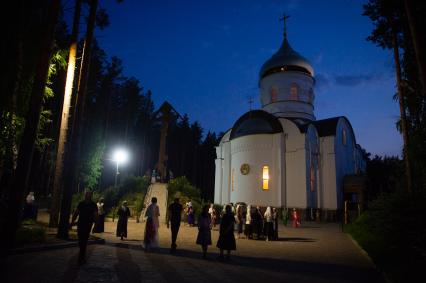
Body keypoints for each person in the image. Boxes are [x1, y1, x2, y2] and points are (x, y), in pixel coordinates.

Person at [70, 191, 98, 265]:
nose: (87, 196)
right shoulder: (81, 204)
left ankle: (81, 257)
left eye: (89, 194)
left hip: (88, 225)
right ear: (85, 195)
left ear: (91, 195)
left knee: (84, 240)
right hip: (80, 223)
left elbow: (95, 215)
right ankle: (82, 255)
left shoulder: (93, 205)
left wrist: (95, 226)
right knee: (80, 240)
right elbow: (76, 212)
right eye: (86, 194)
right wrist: (72, 221)